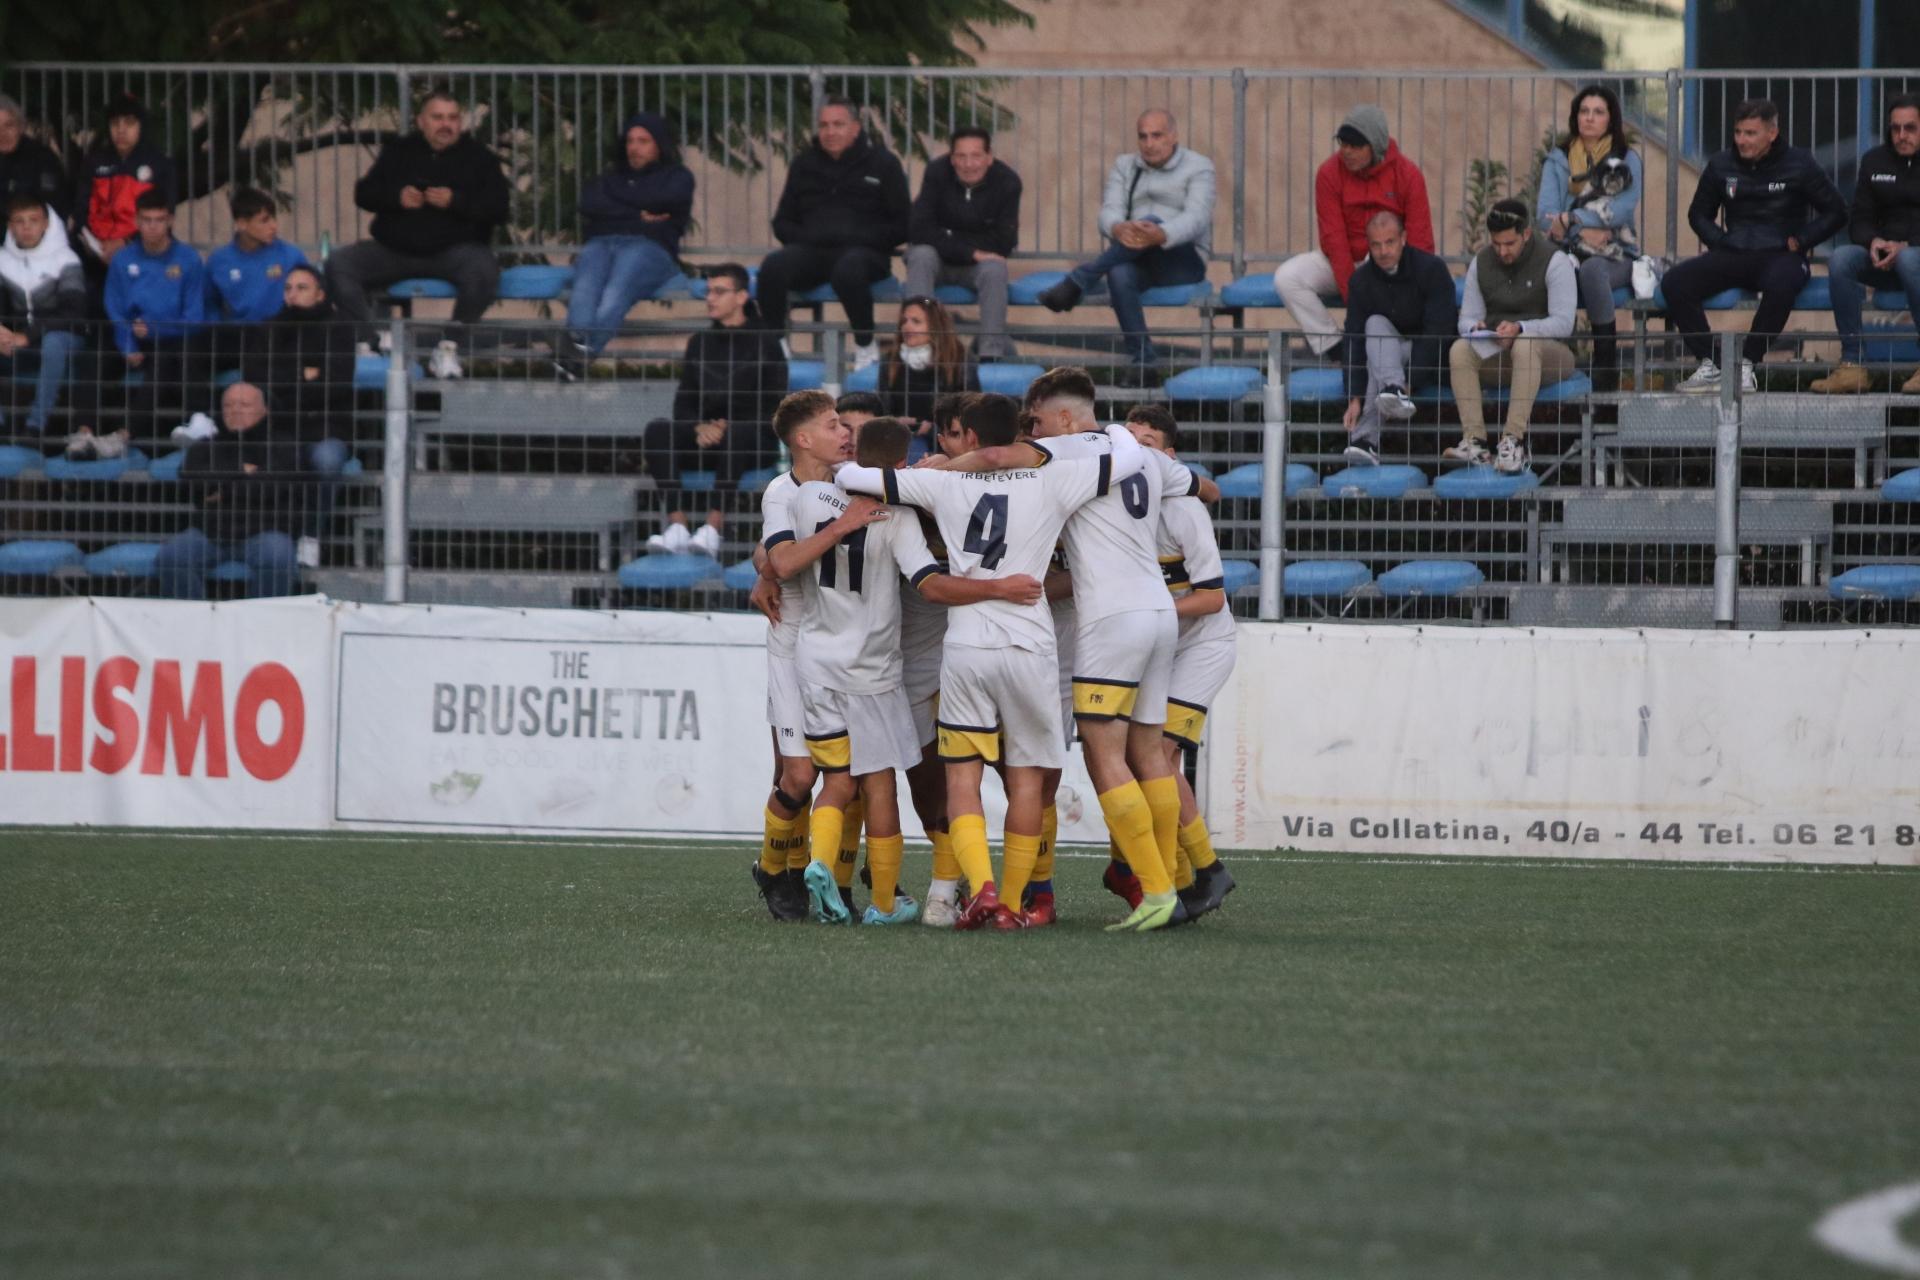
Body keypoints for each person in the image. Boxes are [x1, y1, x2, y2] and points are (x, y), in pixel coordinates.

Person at [837, 394, 1145, 930]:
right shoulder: (1056, 478)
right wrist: (1112, 430)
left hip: (967, 647)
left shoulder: (941, 482)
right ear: (1022, 434)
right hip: (1030, 645)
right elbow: (1132, 457)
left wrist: (953, 465)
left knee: (963, 779)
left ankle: (979, 886)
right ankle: (1012, 902)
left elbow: (849, 476)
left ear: (972, 438)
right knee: (1027, 781)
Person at [934, 367, 1212, 932]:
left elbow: (995, 459)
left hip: (1092, 625)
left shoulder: (1056, 457)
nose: (1031, 432)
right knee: (1144, 754)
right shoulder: (1135, 453)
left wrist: (935, 469)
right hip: (1153, 612)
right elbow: (1209, 489)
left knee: (1084, 760)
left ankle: (1146, 888)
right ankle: (1178, 877)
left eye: (1036, 422)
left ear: (1061, 418)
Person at [1125, 404, 1236, 920]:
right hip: (1160, 643)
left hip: (1202, 645)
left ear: (1170, 459)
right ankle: (1187, 874)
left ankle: (1202, 870)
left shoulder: (1184, 509)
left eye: (1147, 443)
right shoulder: (1119, 506)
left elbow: (1211, 597)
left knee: (1160, 752)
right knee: (1147, 757)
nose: (1136, 451)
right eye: (1129, 440)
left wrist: (1148, 611)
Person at [1666, 98, 1847, 394]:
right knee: (1675, 282)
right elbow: (1698, 214)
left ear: (1772, 133)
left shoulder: (1799, 163)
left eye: (1750, 133)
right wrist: (1720, 241)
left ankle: (1747, 364)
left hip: (1781, 256)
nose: (1742, 140)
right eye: (1738, 132)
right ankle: (1712, 364)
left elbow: (1837, 211)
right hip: (1734, 252)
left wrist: (1802, 240)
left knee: (1783, 283)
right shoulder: (1721, 164)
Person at [327, 90, 511, 379]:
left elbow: (499, 208)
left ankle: (449, 347)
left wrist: (456, 201)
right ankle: (372, 340)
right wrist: (397, 197)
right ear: (421, 121)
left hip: (455, 252)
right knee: (339, 264)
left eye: (452, 118)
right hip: (393, 250)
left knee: (485, 271)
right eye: (437, 117)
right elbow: (364, 193)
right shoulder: (400, 151)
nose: (446, 125)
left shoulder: (480, 158)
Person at [1037, 109, 1215, 380]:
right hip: (1135, 256)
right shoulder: (1125, 165)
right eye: (1143, 136)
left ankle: (1080, 279)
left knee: (1151, 220)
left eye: (1157, 135)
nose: (1149, 143)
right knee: (1119, 273)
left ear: (1174, 136)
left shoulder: (1199, 166)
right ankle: (1143, 362)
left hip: (1182, 259)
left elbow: (1197, 218)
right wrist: (1117, 227)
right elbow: (1109, 211)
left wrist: (1161, 233)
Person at [758, 96, 910, 371]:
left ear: (856, 128)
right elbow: (782, 222)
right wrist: (809, 237)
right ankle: (777, 347)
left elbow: (903, 224)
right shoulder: (804, 164)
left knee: (848, 271)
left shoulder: (883, 163)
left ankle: (865, 344)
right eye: (824, 125)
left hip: (866, 254)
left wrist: (862, 238)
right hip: (812, 253)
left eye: (838, 124)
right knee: (772, 268)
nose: (830, 132)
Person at [1273, 104, 1435, 361]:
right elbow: (1334, 240)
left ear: (1375, 146)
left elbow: (1420, 238)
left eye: (1356, 146)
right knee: (1287, 277)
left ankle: (1386, 347)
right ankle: (1334, 346)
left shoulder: (1408, 174)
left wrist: (1411, 287)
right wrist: (1356, 295)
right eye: (1343, 143)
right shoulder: (1329, 173)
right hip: (1345, 262)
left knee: (1379, 255)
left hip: (1390, 260)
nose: (1347, 151)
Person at [1444, 200, 1577, 475]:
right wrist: (1476, 328)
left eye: (1509, 243)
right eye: (1496, 243)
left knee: (1525, 346)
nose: (1502, 251)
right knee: (1459, 350)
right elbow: (1465, 319)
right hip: (1500, 351)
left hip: (1550, 356)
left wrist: (1521, 328)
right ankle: (1475, 442)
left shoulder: (1555, 261)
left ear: (1526, 234)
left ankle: (1513, 441)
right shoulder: (1481, 262)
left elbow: (1564, 323)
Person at [239, 264, 357, 569]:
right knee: (273, 458)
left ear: (320, 294)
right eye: (288, 288)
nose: (292, 294)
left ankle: (310, 536)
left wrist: (282, 384)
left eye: (302, 288)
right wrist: (303, 374)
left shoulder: (339, 328)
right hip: (279, 426)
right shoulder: (270, 328)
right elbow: (254, 378)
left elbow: (335, 385)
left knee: (327, 460)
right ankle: (272, 536)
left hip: (326, 426)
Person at [560, 111, 694, 373]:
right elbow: (588, 203)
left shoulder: (678, 177)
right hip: (602, 243)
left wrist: (616, 207)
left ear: (659, 144)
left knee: (615, 292)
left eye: (643, 141)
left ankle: (574, 357)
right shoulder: (612, 177)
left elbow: (666, 199)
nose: (634, 147)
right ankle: (576, 354)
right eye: (630, 141)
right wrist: (637, 214)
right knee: (584, 291)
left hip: (650, 248)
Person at [154, 381, 306, 600]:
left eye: (244, 405)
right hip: (210, 531)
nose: (235, 410)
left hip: (266, 531)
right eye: (228, 405)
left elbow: (269, 488)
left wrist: (222, 491)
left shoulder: (284, 445)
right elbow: (191, 481)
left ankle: (260, 620)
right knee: (171, 558)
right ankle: (194, 619)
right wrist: (242, 471)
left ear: (265, 410)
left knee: (279, 559)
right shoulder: (205, 447)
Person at [1537, 85, 1643, 392]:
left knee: (1593, 270)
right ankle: (1553, 362)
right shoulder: (1558, 159)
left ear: (1611, 118)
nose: (1590, 118)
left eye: (1598, 112)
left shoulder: (1627, 159)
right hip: (1566, 248)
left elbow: (1622, 210)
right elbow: (1545, 214)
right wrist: (1581, 229)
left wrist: (1573, 219)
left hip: (1615, 251)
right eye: (1584, 111)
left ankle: (1606, 364)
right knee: (1552, 272)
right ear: (1575, 117)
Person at [1812, 94, 1920, 395]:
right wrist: (1873, 241)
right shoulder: (1874, 161)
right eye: (1895, 128)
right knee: (1842, 258)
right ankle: (1852, 365)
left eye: (1910, 128)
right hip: (1884, 259)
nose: (1902, 135)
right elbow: (1859, 218)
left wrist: (1906, 245)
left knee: (1910, 258)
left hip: (1914, 258)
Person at [645, 263, 787, 486]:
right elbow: (683, 402)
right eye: (708, 291)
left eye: (719, 292)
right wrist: (699, 427)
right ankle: (674, 509)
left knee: (736, 434)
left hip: (751, 442)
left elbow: (774, 407)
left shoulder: (766, 343)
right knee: (657, 430)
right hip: (704, 438)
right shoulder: (699, 342)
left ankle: (718, 509)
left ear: (741, 297)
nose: (710, 298)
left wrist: (727, 427)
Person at [1339, 210, 1457, 466]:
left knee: (1377, 360)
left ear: (1403, 238)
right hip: (1386, 357)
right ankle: (1392, 390)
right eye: (1376, 245)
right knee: (1374, 325)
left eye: (1390, 242)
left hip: (1431, 358)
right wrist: (1354, 397)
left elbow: (1439, 331)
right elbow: (1354, 338)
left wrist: (1409, 383)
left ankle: (1365, 439)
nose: (1383, 251)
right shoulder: (1361, 280)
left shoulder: (1431, 269)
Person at [905, 127, 1021, 361]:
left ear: (989, 157)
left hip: (977, 268)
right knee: (920, 256)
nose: (968, 164)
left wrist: (947, 237)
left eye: (976, 156)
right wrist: (971, 251)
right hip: (937, 263)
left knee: (995, 269)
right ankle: (919, 349)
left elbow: (1004, 242)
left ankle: (990, 353)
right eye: (961, 156)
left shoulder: (1008, 182)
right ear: (952, 158)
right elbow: (918, 229)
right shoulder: (936, 173)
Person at [102, 190, 207, 435]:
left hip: (174, 339)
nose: (152, 226)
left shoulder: (189, 259)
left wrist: (155, 328)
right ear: (136, 221)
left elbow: (194, 318)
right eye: (147, 220)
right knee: (92, 360)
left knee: (167, 359)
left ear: (170, 221)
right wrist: (127, 344)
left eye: (159, 220)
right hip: (132, 336)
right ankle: (85, 430)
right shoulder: (122, 259)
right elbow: (115, 308)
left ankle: (129, 433)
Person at [0, 196, 86, 434]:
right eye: (19, 221)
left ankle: (36, 425)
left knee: (53, 342)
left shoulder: (66, 259)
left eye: (33, 220)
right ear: (10, 226)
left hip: (64, 339)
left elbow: (73, 312)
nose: (26, 227)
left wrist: (28, 336)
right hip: (18, 342)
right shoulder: (2, 260)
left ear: (46, 224)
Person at [205, 187, 308, 369]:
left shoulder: (291, 255)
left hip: (281, 335)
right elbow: (209, 303)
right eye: (264, 220)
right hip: (238, 336)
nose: (274, 226)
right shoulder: (219, 261)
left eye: (273, 218)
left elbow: (309, 297)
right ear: (242, 224)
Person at [72, 94, 176, 268]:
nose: (121, 130)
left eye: (129, 123)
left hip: (141, 252)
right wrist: (93, 243)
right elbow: (81, 209)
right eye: (115, 124)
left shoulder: (159, 164)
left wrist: (125, 242)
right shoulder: (94, 162)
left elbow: (164, 215)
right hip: (96, 251)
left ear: (141, 126)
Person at [879, 295, 979, 462]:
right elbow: (883, 408)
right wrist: (896, 422)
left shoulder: (960, 359)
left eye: (916, 321)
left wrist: (932, 428)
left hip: (947, 440)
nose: (907, 326)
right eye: (904, 321)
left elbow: (970, 410)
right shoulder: (890, 360)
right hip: (901, 438)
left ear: (935, 326)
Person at [0, 96, 68, 221]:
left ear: (21, 127)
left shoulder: (42, 158)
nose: (2, 133)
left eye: (9, 126)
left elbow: (50, 204)